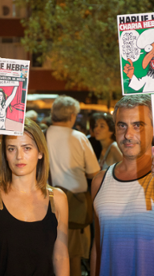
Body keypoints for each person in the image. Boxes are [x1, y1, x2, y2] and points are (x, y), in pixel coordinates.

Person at [91, 95, 154, 275]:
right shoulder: (100, 180)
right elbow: (98, 246)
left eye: (138, 125)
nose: (128, 135)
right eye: (121, 125)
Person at [0, 118, 70, 275]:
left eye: (27, 148)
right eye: (11, 149)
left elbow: (60, 256)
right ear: (5, 153)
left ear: (40, 153)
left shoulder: (57, 198)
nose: (19, 156)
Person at [46, 96, 100, 276]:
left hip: (47, 202)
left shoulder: (42, 136)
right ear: (71, 116)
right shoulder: (79, 138)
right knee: (73, 256)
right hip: (75, 205)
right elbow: (94, 172)